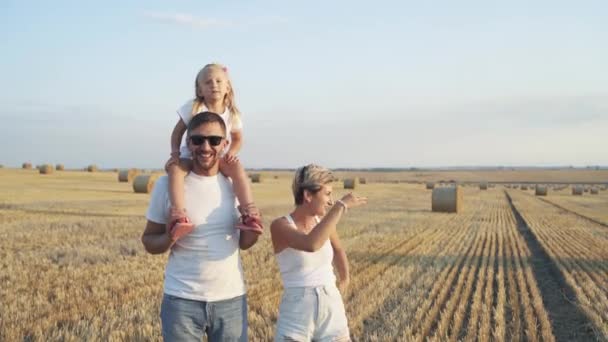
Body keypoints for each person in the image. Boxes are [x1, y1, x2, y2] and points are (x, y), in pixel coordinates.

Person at [142, 112, 260, 341]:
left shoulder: (234, 185)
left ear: (225, 144)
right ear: (188, 143)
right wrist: (170, 236)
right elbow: (149, 241)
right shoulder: (166, 185)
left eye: (214, 140)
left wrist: (253, 233)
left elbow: (244, 244)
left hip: (231, 300)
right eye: (197, 140)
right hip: (181, 302)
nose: (206, 147)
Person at [270, 164, 367, 341]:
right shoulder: (280, 226)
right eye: (327, 194)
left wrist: (345, 278)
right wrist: (341, 206)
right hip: (297, 313)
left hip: (331, 307)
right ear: (307, 195)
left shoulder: (322, 223)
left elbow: (338, 250)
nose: (331, 201)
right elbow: (311, 244)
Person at [166, 63, 262, 235]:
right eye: (208, 82)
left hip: (217, 158)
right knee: (175, 170)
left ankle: (249, 214)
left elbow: (238, 139)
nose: (214, 85)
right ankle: (178, 215)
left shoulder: (232, 114)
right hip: (190, 156)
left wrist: (231, 154)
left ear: (227, 87)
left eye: (219, 81)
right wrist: (175, 154)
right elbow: (177, 132)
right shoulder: (194, 107)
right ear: (200, 90)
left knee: (237, 168)